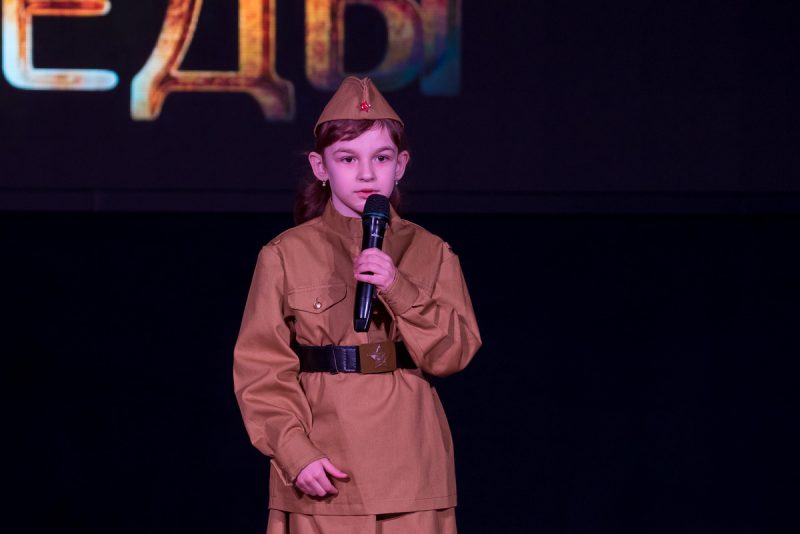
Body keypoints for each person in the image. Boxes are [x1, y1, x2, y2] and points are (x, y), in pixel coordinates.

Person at [233, 76, 481, 534]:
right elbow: (260, 368)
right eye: (348, 158)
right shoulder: (284, 255)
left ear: (400, 165)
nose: (366, 174)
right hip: (323, 468)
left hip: (411, 470)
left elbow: (455, 353)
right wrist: (294, 453)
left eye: (381, 158)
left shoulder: (432, 252)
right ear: (321, 166)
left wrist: (397, 286)